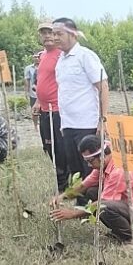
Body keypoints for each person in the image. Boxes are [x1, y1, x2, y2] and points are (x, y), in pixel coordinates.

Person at [50, 135, 133, 243]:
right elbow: (84, 185)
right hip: (128, 206)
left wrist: (72, 214)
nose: (89, 165)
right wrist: (62, 196)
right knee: (91, 191)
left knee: (104, 206)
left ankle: (131, 239)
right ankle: (119, 230)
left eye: (90, 161)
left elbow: (101, 203)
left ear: (101, 157)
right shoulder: (105, 162)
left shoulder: (118, 170)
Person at [53, 17, 109, 181]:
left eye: (59, 34)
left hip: (87, 124)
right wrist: (63, 123)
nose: (55, 38)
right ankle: (81, 203)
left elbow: (103, 87)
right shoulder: (60, 61)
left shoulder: (86, 56)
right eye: (54, 34)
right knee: (75, 169)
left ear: (73, 34)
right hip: (68, 124)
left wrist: (103, 120)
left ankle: (96, 204)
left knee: (90, 169)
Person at [32, 20, 70, 192]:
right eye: (43, 32)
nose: (47, 35)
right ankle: (60, 177)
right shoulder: (43, 56)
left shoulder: (61, 55)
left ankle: (64, 183)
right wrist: (38, 101)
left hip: (57, 110)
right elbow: (42, 82)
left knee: (59, 147)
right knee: (47, 145)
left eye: (50, 32)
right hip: (44, 110)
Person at [24, 52, 40, 131]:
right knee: (34, 110)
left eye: (38, 57)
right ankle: (35, 125)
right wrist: (26, 92)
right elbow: (27, 80)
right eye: (35, 57)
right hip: (33, 93)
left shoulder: (44, 66)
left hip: (43, 93)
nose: (37, 58)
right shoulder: (28, 68)